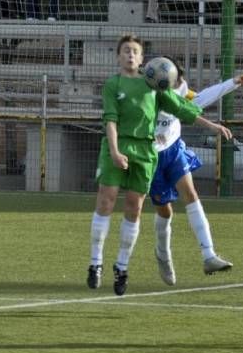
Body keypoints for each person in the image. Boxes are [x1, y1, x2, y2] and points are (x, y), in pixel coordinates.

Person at [86, 35, 232, 296]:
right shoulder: (112, 84)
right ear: (118, 56)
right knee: (107, 201)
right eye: (125, 51)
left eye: (135, 51)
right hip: (119, 147)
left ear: (143, 59)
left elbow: (185, 109)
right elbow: (109, 119)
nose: (130, 55)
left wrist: (213, 126)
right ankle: (95, 263)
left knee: (137, 207)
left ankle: (122, 267)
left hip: (149, 151)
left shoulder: (154, 85)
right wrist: (114, 151)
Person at [150, 59, 243, 285]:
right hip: (152, 156)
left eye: (179, 80)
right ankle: (163, 253)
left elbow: (199, 99)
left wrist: (232, 83)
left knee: (191, 194)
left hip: (174, 149)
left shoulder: (180, 89)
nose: (178, 85)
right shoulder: (149, 93)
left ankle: (208, 255)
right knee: (165, 212)